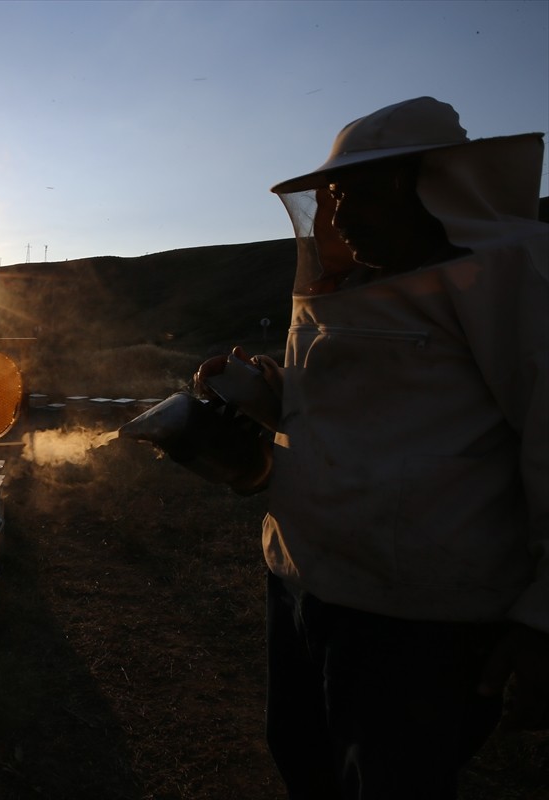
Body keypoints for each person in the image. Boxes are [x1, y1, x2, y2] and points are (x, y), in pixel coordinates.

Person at [196, 97, 548, 797]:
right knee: (305, 760)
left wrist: (544, 619)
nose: (340, 214)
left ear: (433, 185)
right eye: (332, 195)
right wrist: (258, 396)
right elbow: (345, 415)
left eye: (361, 191)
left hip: (419, 618)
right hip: (303, 581)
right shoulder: (340, 287)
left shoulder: (512, 276)